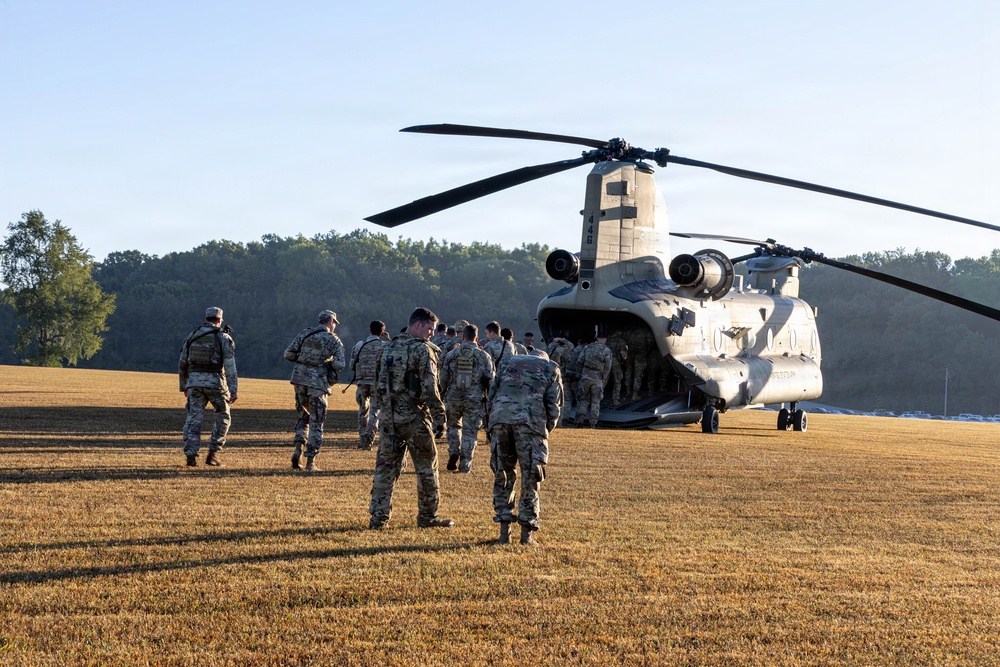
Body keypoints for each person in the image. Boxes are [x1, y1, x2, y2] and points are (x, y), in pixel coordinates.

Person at [369, 307, 455, 530]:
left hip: (389, 419)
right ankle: (427, 517)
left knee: (385, 470)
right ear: (418, 324)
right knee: (427, 468)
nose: (431, 334)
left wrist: (385, 411)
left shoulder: (387, 348)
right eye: (429, 329)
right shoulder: (422, 351)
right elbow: (430, 388)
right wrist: (439, 417)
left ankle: (378, 518)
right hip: (414, 419)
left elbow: (377, 385)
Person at [487, 348, 562, 545]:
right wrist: (545, 429)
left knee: (503, 474)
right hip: (530, 423)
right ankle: (526, 535)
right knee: (531, 476)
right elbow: (554, 405)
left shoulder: (506, 362)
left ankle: (504, 533)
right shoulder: (550, 367)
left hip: (500, 420)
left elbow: (491, 395)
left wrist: (492, 423)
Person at [283, 310, 346, 471]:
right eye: (334, 324)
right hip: (317, 383)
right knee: (317, 421)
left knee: (303, 417)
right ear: (331, 322)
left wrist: (304, 361)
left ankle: (298, 448)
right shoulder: (333, 340)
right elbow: (340, 364)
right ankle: (311, 462)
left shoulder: (305, 334)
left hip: (299, 380)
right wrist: (325, 363)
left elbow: (288, 354)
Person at [178, 306, 238, 467]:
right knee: (223, 416)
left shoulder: (192, 336)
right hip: (216, 383)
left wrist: (184, 385)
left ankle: (190, 455)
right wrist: (233, 390)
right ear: (219, 320)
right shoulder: (223, 338)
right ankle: (213, 454)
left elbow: (183, 363)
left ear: (206, 318)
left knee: (193, 418)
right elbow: (230, 366)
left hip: (194, 383)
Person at [439, 324, 495, 473]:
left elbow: (443, 378)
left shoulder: (452, 354)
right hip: (474, 399)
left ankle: (453, 451)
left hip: (453, 397)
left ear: (462, 337)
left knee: (453, 426)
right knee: (470, 431)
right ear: (476, 338)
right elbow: (491, 380)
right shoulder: (484, 356)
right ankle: (465, 465)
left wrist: (442, 393)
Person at [350, 320, 387, 450]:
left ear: (370, 330)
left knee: (362, 411)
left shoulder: (360, 345)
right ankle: (369, 440)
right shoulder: (385, 346)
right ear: (382, 332)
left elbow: (352, 365)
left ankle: (362, 438)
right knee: (374, 412)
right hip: (377, 383)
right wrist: (388, 339)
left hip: (361, 382)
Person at [575, 334, 613, 427]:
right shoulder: (606, 350)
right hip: (597, 378)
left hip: (585, 377)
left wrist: (579, 373)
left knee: (583, 399)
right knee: (596, 401)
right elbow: (608, 365)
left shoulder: (587, 347)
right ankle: (593, 423)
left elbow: (579, 361)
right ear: (604, 339)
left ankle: (580, 420)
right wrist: (604, 377)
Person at [605, 329, 629, 406]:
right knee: (617, 380)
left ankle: (597, 398)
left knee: (603, 380)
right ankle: (615, 400)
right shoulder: (621, 340)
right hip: (615, 362)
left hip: (605, 362)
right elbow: (623, 354)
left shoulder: (606, 339)